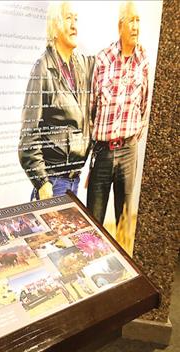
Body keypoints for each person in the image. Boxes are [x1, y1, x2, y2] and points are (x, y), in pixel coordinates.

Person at [87, 1, 149, 247]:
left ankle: (123, 273)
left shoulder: (143, 60)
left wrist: (130, 137)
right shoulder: (103, 59)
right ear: (120, 25)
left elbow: (143, 105)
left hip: (128, 150)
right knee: (94, 220)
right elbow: (92, 105)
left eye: (138, 21)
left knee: (123, 220)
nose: (136, 26)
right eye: (131, 21)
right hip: (103, 152)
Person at [18, 1, 94, 200]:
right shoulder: (42, 68)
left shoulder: (81, 66)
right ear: (54, 25)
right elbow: (29, 135)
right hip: (53, 183)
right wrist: (42, 183)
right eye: (68, 18)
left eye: (76, 19)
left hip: (73, 181)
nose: (74, 25)